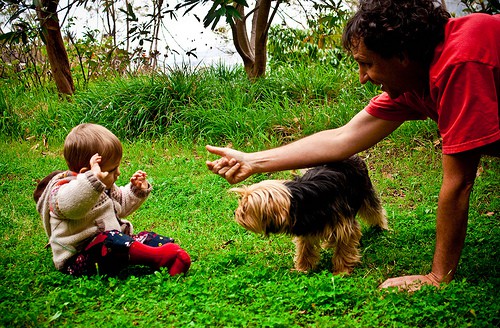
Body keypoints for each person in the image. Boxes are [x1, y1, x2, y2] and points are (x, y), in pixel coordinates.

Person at [206, 0, 500, 291]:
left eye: (367, 63)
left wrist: (438, 276)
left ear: (402, 53)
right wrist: (251, 160)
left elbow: (459, 182)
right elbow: (343, 138)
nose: (362, 78)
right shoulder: (415, 83)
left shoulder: (461, 62)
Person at [34, 123, 191, 277]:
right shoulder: (64, 192)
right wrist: (92, 181)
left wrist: (136, 190)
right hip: (80, 257)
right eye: (112, 170)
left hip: (114, 242)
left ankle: (169, 252)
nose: (118, 173)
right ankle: (155, 257)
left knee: (144, 237)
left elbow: (121, 203)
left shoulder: (103, 186)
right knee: (112, 242)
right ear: (88, 173)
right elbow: (73, 207)